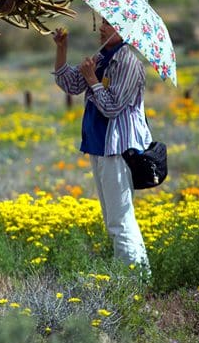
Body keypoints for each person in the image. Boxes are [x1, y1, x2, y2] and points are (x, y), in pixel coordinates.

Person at [52, 17, 151, 271]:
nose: (102, 28)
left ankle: (134, 279)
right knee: (112, 219)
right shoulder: (103, 57)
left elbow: (113, 106)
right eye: (102, 22)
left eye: (110, 24)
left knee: (120, 220)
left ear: (125, 30)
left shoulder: (128, 63)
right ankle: (134, 275)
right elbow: (71, 84)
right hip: (99, 145)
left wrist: (92, 79)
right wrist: (62, 49)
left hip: (118, 148)